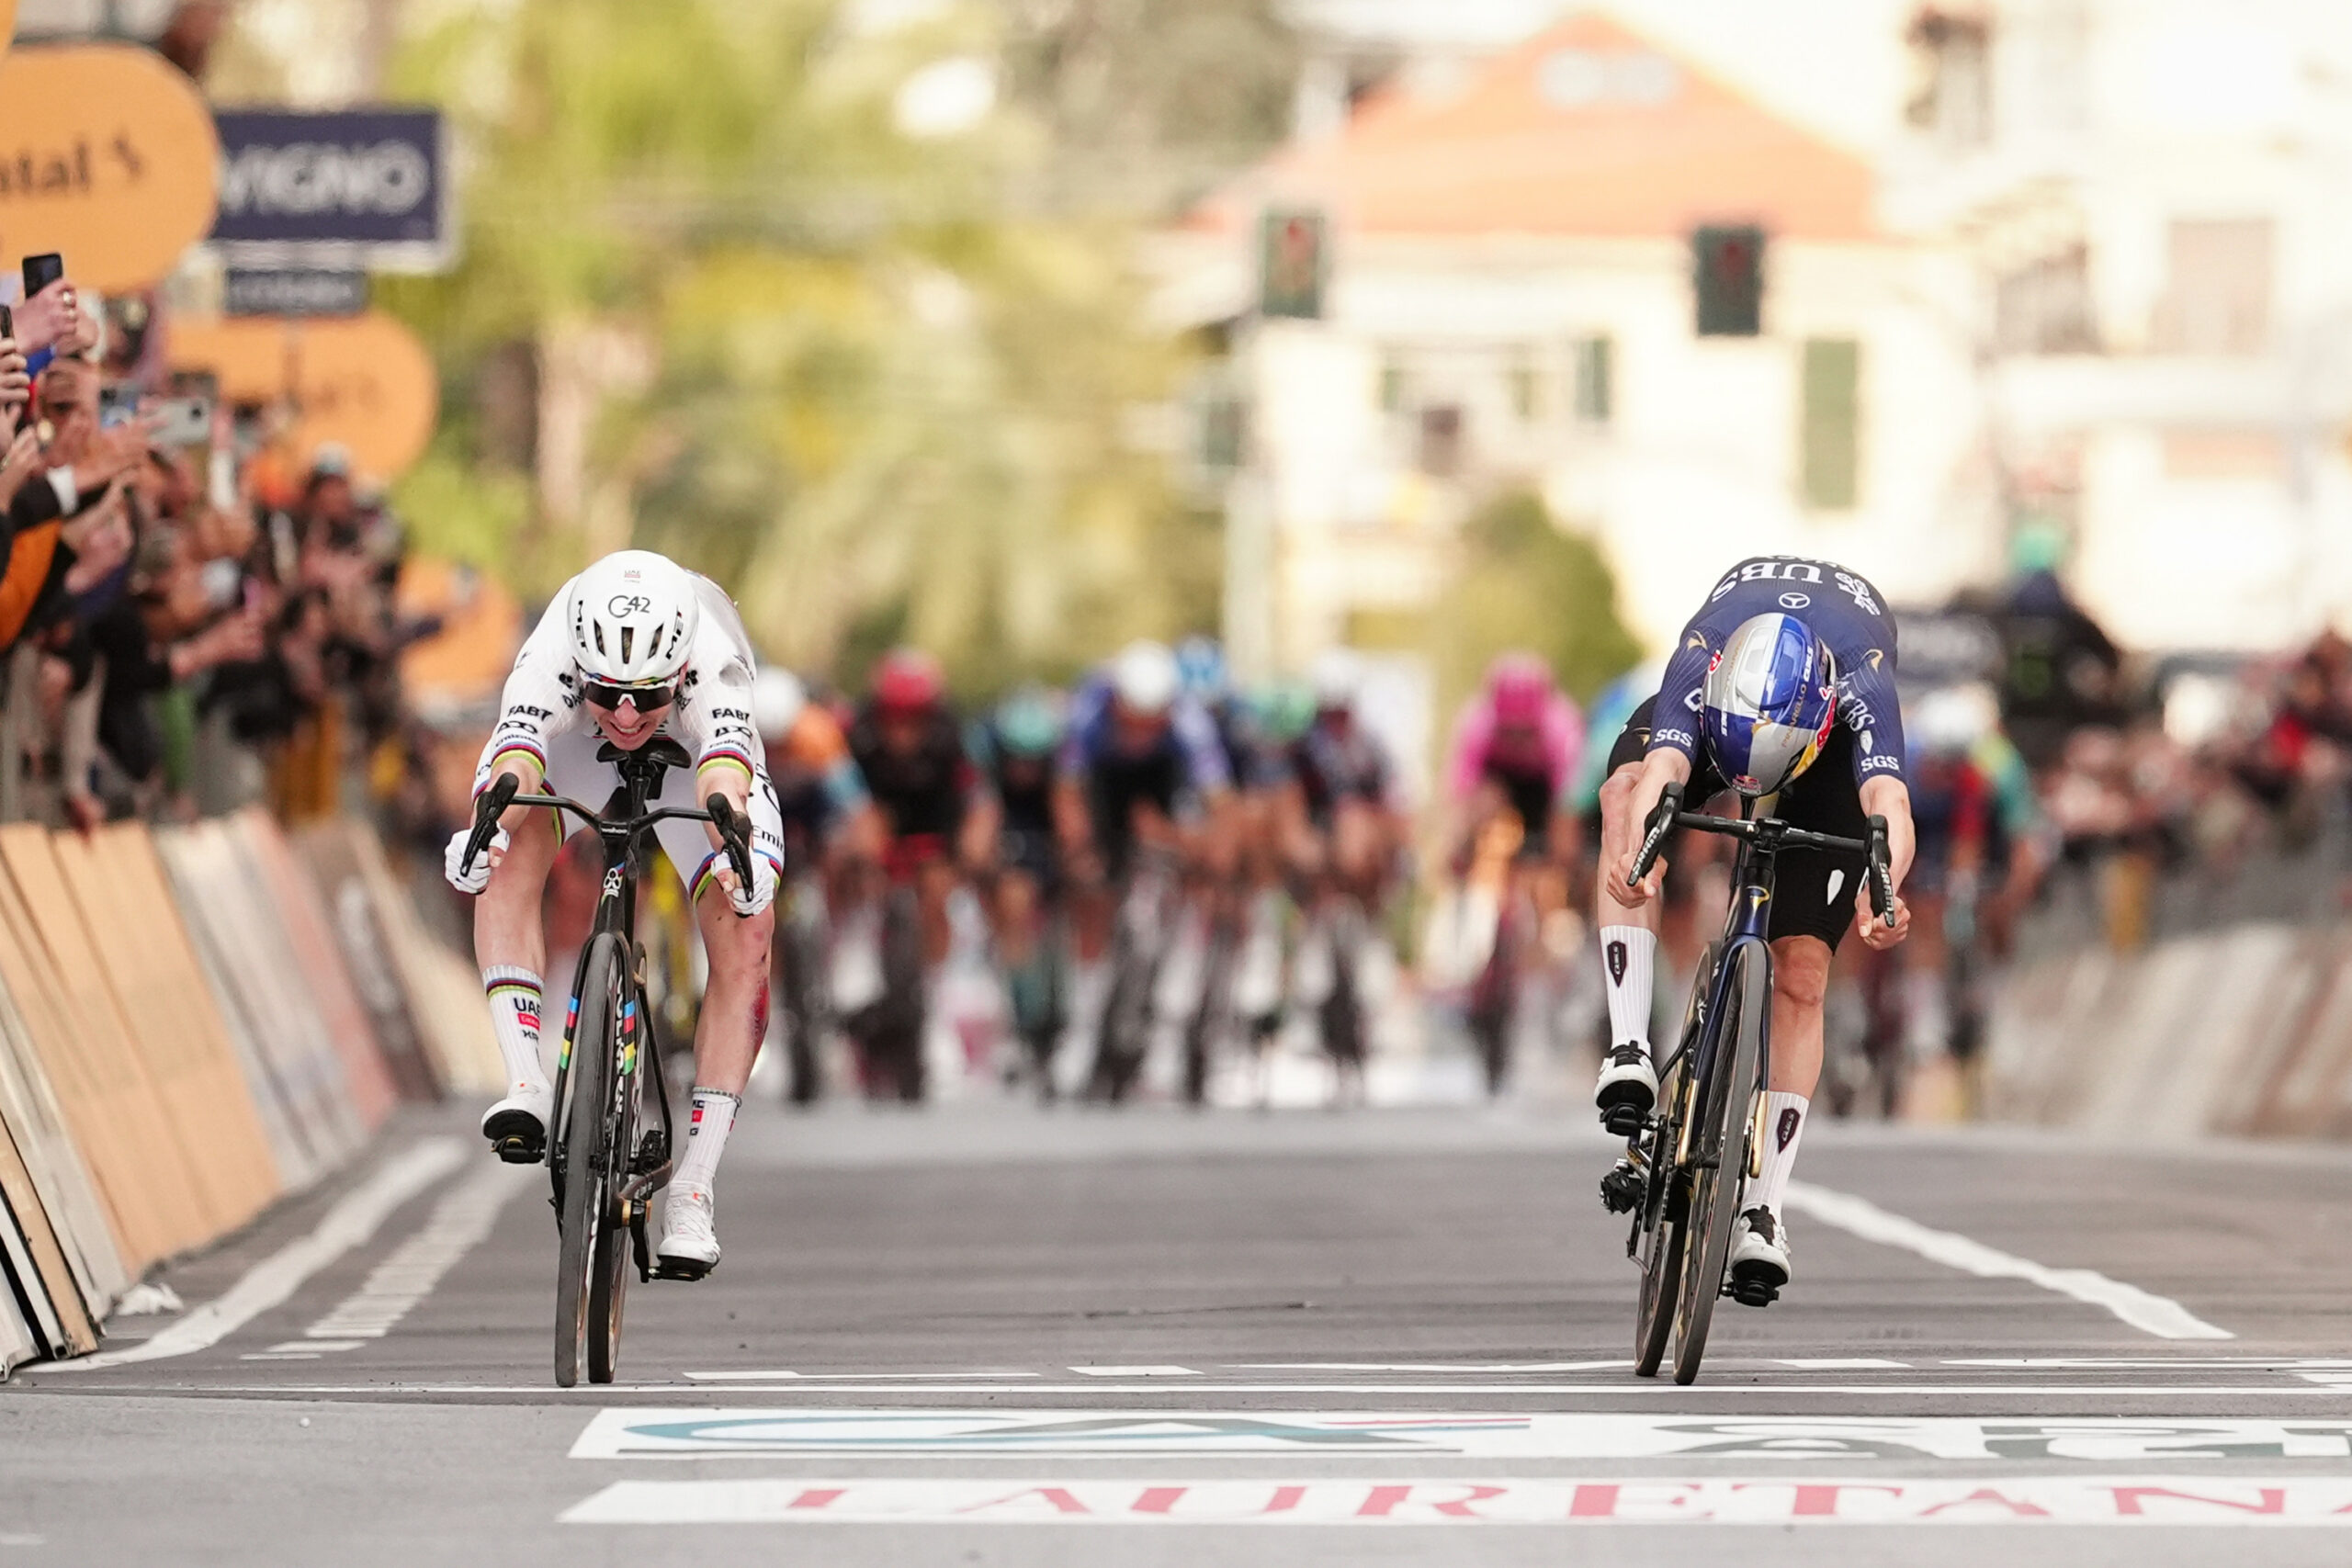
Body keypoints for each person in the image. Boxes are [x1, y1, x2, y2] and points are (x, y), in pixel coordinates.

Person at [444, 549, 784, 1279]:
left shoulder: (713, 662)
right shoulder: (552, 651)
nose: (627, 713)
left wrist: (734, 849)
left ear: (678, 672)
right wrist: (487, 824)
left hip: (696, 754)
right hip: (573, 747)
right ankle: (527, 1084)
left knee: (747, 933)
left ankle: (694, 1189)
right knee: (503, 846)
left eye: (646, 695)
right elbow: (519, 757)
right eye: (608, 692)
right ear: (581, 668)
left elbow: (725, 772)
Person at [1591, 555, 1917, 1300]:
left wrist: (1885, 892)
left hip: (1823, 758)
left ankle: (1763, 1209)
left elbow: (1889, 804)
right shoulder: (1700, 653)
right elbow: (1663, 768)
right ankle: (1629, 1045)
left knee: (1802, 972)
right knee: (1625, 804)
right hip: (1721, 723)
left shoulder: (1863, 681)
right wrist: (1639, 854)